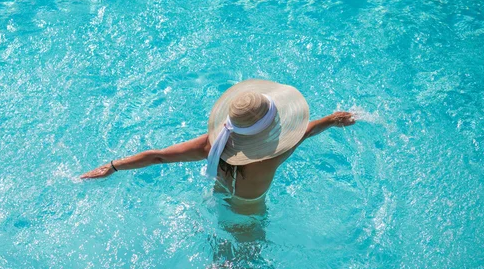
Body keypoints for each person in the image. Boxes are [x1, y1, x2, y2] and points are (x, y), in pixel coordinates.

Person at [80, 79, 355, 206]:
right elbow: (306, 131)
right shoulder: (272, 155)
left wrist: (113, 166)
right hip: (245, 218)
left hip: (215, 197)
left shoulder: (212, 143)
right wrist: (332, 119)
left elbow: (158, 156)